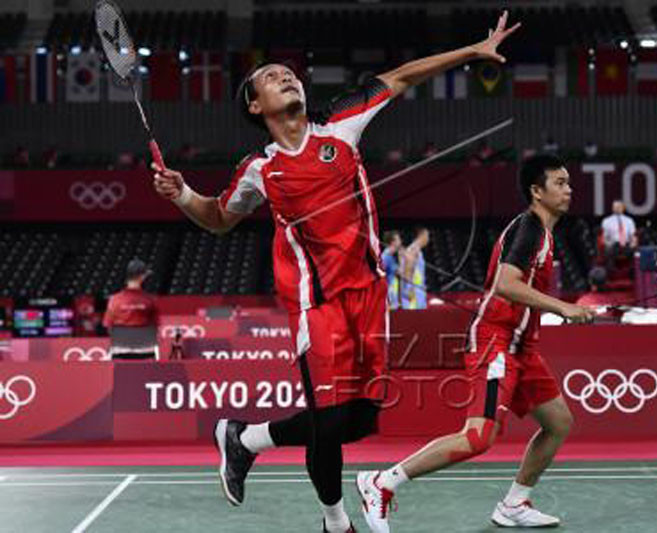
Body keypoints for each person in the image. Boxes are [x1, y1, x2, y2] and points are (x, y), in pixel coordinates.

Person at [152, 11, 520, 533]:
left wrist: (471, 51)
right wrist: (182, 193)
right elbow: (217, 219)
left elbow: (402, 77)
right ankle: (335, 522)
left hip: (370, 295)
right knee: (326, 419)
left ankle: (244, 437)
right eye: (272, 76)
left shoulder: (341, 125)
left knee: (359, 422)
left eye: (289, 73)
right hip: (316, 303)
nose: (287, 76)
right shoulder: (260, 168)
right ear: (256, 106)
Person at [356, 154, 596, 531]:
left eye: (569, 182)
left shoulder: (545, 234)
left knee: (558, 422)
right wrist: (563, 308)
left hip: (522, 348)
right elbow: (505, 283)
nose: (569, 189)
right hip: (494, 341)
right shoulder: (528, 229)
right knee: (479, 436)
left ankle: (514, 504)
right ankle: (382, 482)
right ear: (537, 191)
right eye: (560, 183)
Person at [102, 258, 159, 360]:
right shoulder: (150, 300)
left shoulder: (114, 299)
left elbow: (108, 326)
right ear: (142, 276)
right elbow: (155, 326)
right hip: (145, 351)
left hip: (119, 350)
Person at [600, 199, 637, 276]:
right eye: (615, 207)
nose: (617, 208)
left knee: (635, 251)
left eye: (619, 207)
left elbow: (633, 236)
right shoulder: (606, 221)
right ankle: (611, 273)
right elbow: (605, 237)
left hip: (626, 244)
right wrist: (608, 244)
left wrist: (633, 243)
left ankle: (632, 273)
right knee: (608, 250)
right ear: (612, 208)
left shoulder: (629, 221)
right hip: (614, 245)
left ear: (623, 208)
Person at [400, 227, 429, 310]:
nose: (428, 239)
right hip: (413, 294)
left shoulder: (417, 250)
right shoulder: (413, 249)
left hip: (418, 291)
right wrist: (408, 288)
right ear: (422, 235)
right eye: (427, 235)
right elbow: (408, 268)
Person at [381, 230, 403, 310]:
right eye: (398, 239)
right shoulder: (385, 257)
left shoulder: (392, 257)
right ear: (393, 242)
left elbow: (399, 273)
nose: (401, 242)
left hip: (393, 294)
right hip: (389, 295)